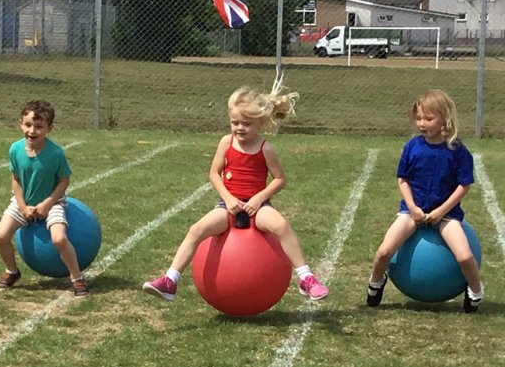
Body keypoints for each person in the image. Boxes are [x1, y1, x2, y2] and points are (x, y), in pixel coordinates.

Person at [143, 83, 329, 303]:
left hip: (258, 208)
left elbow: (280, 179)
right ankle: (170, 281)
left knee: (281, 226)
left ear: (260, 123)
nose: (240, 128)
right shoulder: (226, 143)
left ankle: (306, 278)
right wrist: (228, 199)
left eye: (247, 124)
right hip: (228, 207)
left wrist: (259, 199)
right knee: (196, 229)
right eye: (235, 122)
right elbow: (214, 173)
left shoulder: (266, 149)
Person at [365, 88, 484, 312]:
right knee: (383, 252)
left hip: (447, 215)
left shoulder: (457, 150)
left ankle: (476, 289)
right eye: (419, 118)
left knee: (465, 256)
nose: (422, 123)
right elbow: (403, 179)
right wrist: (412, 207)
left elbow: (464, 185)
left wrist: (441, 211)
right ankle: (376, 282)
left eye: (429, 118)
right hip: (412, 212)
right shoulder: (412, 147)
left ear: (444, 119)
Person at [0, 99, 87, 295]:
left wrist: (47, 203)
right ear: (20, 123)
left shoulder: (55, 153)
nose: (32, 131)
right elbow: (16, 180)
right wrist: (22, 206)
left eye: (39, 126)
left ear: (49, 128)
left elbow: (64, 181)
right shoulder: (15, 149)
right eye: (28, 125)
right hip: (24, 202)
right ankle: (12, 271)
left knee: (59, 238)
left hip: (52, 202)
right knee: (1, 235)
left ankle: (76, 278)